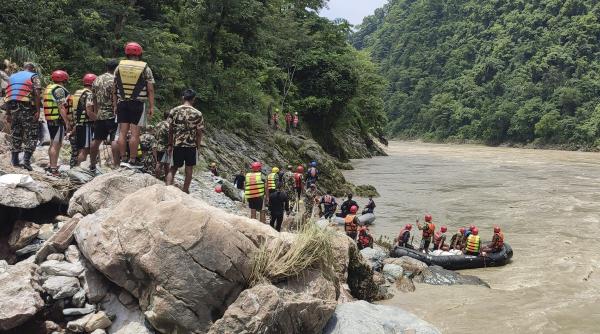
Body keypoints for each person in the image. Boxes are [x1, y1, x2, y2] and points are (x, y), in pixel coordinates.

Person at [113, 42, 155, 168]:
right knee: (135, 133)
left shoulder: (119, 67)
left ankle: (123, 158)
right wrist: (151, 106)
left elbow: (114, 88)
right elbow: (150, 89)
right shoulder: (145, 68)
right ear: (139, 53)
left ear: (126, 53)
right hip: (137, 103)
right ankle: (132, 160)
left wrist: (115, 104)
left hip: (122, 103)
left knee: (122, 133)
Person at [4, 62, 41, 171]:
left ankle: (15, 160)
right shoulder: (34, 76)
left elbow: (8, 94)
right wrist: (38, 110)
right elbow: (37, 93)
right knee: (33, 133)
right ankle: (26, 161)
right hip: (26, 106)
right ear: (32, 68)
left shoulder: (12, 77)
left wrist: (8, 113)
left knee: (16, 132)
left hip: (13, 106)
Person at [165, 89, 204, 194]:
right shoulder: (198, 113)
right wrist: (198, 146)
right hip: (191, 145)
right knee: (189, 168)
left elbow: (170, 129)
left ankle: (167, 189)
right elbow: (199, 132)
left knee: (173, 168)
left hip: (177, 144)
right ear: (193, 99)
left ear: (183, 98)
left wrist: (170, 144)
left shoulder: (174, 111)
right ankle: (185, 190)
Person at [89, 59, 119, 172]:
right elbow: (115, 96)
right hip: (112, 114)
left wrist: (97, 113)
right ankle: (116, 165)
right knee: (114, 140)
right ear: (116, 68)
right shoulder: (115, 80)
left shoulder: (97, 79)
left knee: (96, 140)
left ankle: (92, 164)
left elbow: (94, 99)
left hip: (100, 114)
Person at [44, 70, 72, 177]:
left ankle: (51, 165)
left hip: (50, 119)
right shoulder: (59, 89)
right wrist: (67, 122)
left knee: (53, 143)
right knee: (56, 145)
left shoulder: (49, 87)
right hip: (57, 120)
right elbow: (61, 107)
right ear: (63, 79)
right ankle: (53, 169)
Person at [70, 73, 97, 167]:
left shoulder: (77, 92)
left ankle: (75, 168)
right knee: (84, 150)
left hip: (78, 124)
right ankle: (79, 170)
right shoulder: (89, 95)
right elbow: (89, 112)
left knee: (79, 149)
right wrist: (98, 120)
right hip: (86, 125)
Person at [153, 111, 169, 178]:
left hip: (157, 145)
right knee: (165, 164)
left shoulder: (158, 124)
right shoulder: (168, 125)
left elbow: (155, 134)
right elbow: (170, 136)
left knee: (159, 162)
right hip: (165, 146)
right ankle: (166, 179)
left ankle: (157, 178)